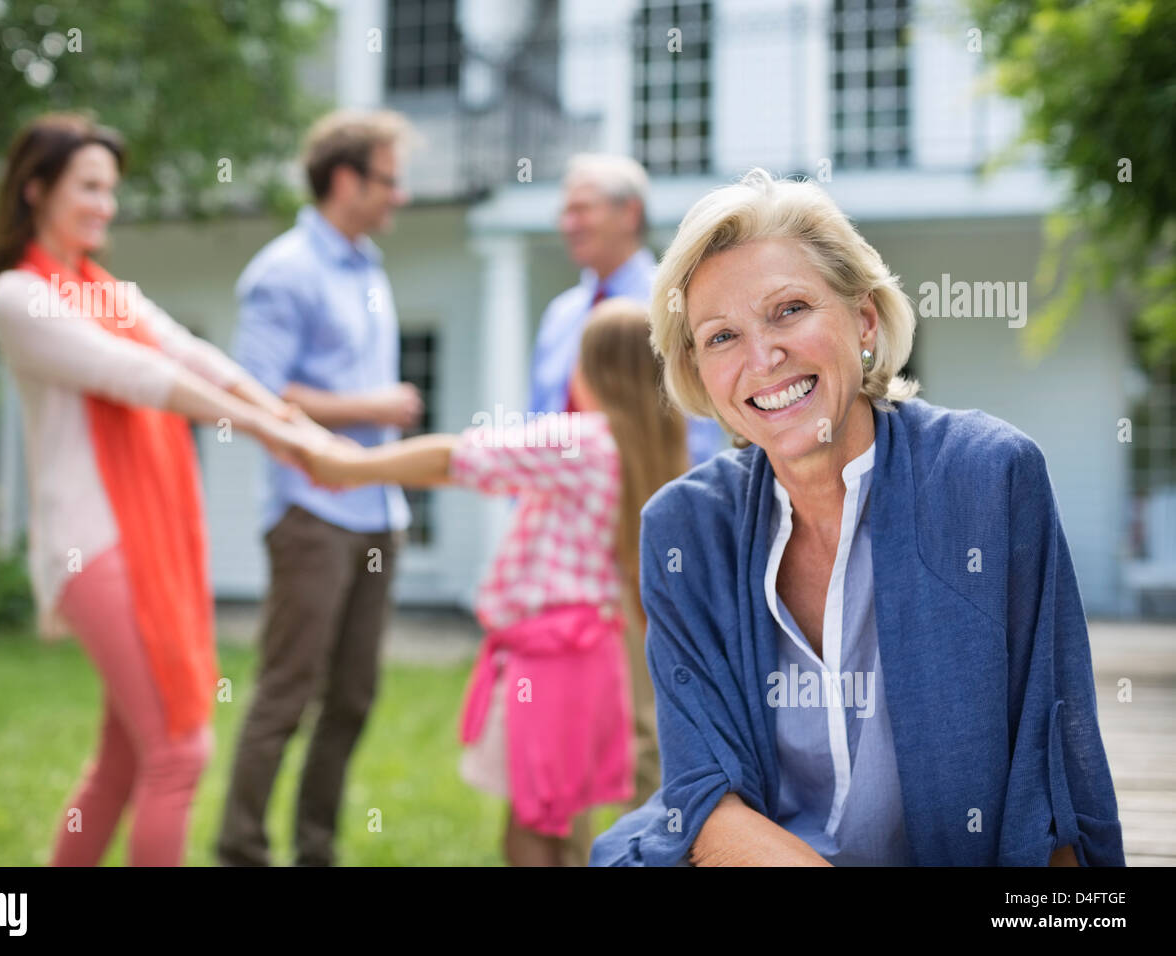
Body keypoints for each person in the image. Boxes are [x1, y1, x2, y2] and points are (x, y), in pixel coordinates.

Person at [590, 168, 1125, 866]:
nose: (762, 357)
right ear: (699, 374)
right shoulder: (684, 530)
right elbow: (704, 799)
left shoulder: (987, 478)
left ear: (864, 321)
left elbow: (1053, 777)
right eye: (721, 337)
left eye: (789, 310)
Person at [0, 113, 330, 867]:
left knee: (127, 756)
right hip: (94, 544)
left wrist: (286, 415)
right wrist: (273, 434)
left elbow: (191, 353)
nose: (106, 204)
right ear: (36, 189)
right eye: (89, 187)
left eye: (112, 189)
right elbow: (136, 375)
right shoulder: (19, 295)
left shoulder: (103, 289)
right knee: (179, 750)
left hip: (144, 545)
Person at [304, 298, 688, 866]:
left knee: (532, 822)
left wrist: (347, 467)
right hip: (592, 655)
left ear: (594, 370)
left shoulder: (579, 442)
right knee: (556, 812)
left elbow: (454, 459)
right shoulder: (652, 451)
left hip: (548, 655)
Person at [217, 109, 420, 867]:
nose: (398, 197)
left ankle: (315, 851)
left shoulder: (369, 266)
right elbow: (256, 394)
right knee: (286, 692)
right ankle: (240, 849)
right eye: (389, 181)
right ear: (346, 179)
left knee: (354, 697)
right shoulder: (284, 271)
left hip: (377, 510)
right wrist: (369, 407)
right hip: (312, 513)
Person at [529, 153, 717, 819]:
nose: (567, 221)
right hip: (572, 540)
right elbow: (540, 421)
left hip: (647, 523)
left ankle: (655, 836)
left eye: (582, 207)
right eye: (565, 208)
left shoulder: (676, 304)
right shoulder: (561, 315)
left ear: (628, 213)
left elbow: (701, 426)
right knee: (575, 699)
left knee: (648, 702)